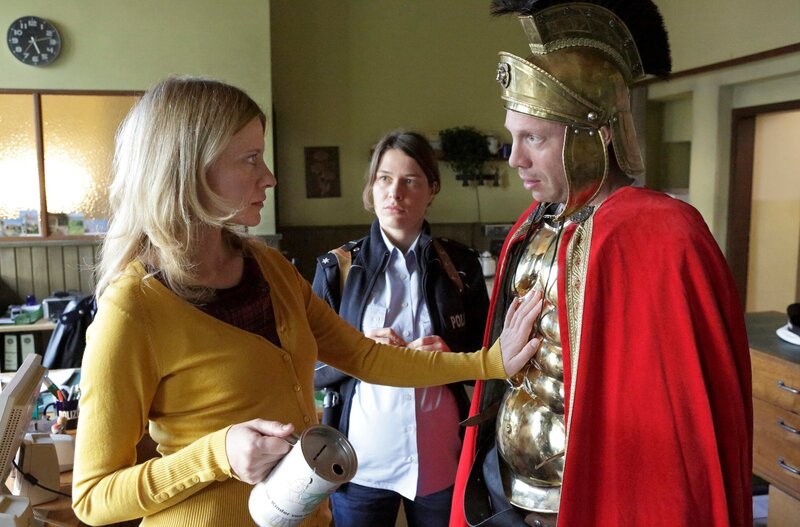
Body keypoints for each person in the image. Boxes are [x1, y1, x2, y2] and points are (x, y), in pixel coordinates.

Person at [70, 76, 543, 527]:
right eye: (251, 158)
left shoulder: (269, 267)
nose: (270, 177)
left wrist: (490, 362)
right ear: (189, 168)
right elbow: (93, 497)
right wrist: (218, 453)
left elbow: (362, 356)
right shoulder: (134, 308)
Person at [450, 1, 752, 526]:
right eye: (512, 136)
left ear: (598, 135)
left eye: (535, 138)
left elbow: (684, 421)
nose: (514, 158)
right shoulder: (532, 226)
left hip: (611, 501)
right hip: (510, 494)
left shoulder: (664, 235)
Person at [312, 130, 490, 527]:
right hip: (361, 461)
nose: (396, 192)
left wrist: (451, 357)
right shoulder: (335, 268)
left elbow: (489, 356)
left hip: (440, 457)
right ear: (371, 188)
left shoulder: (459, 265)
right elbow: (308, 367)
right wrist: (356, 352)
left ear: (432, 190)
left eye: (411, 180)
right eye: (385, 179)